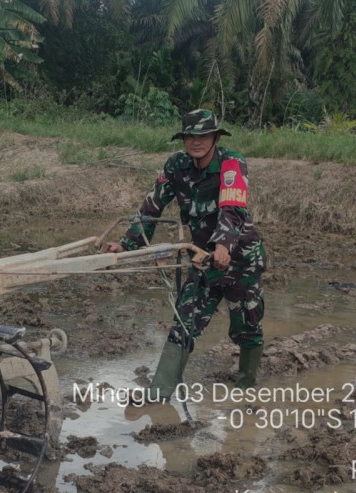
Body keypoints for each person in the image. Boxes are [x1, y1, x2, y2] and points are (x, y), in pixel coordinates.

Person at [102, 108, 267, 398]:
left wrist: (223, 245)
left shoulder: (231, 163)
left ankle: (246, 388)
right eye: (190, 135)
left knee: (247, 326)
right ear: (183, 139)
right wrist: (126, 244)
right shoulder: (175, 166)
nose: (196, 141)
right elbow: (152, 207)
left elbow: (232, 208)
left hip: (241, 258)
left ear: (215, 136)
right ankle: (158, 395)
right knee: (184, 321)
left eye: (203, 135)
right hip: (204, 259)